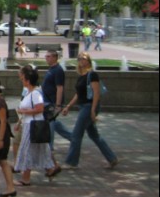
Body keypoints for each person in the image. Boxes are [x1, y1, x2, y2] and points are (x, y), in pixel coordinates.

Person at [60, 52, 118, 169]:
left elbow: (96, 93)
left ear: (88, 60)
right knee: (94, 135)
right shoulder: (82, 76)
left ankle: (71, 162)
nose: (81, 60)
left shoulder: (92, 75)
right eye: (79, 59)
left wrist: (93, 110)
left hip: (89, 107)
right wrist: (68, 106)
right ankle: (112, 158)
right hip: (83, 106)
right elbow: (78, 94)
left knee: (76, 134)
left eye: (84, 58)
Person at [13, 65, 55, 185]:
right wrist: (19, 122)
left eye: (23, 79)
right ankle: (50, 168)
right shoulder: (29, 92)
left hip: (33, 125)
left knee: (27, 150)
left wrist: (23, 112)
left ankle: (26, 178)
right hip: (28, 124)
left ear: (28, 80)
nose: (21, 81)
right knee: (40, 149)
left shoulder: (36, 93)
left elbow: (39, 108)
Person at [41, 49, 73, 177]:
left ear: (55, 57)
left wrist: (58, 105)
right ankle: (73, 138)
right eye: (46, 56)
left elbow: (60, 88)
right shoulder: (51, 69)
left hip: (51, 105)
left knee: (50, 128)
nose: (46, 58)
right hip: (47, 103)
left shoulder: (58, 70)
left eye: (48, 56)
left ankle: (50, 150)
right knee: (56, 125)